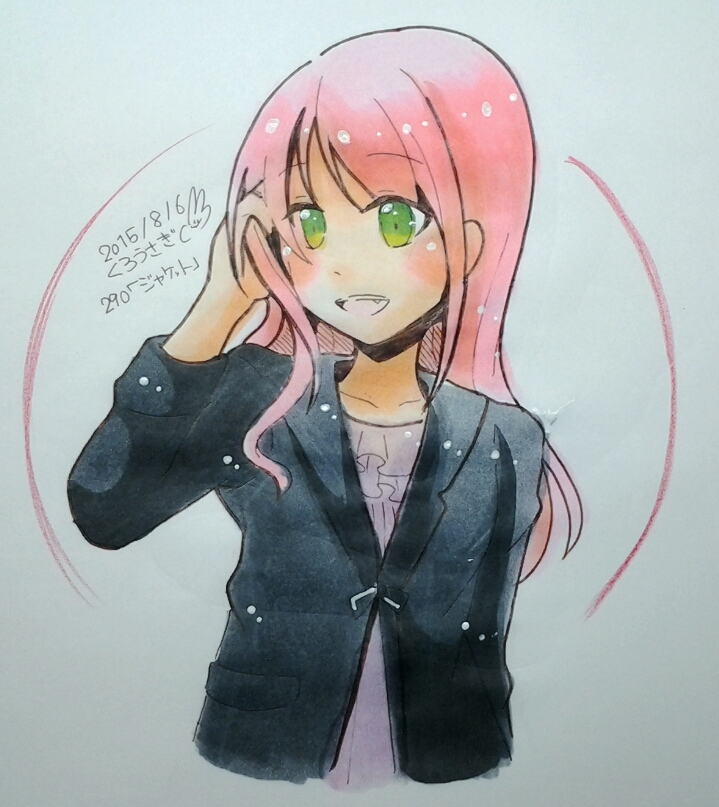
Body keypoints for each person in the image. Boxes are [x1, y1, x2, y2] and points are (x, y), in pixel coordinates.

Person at [68, 26, 581, 788]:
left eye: (396, 220)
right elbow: (105, 509)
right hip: (259, 752)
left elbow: (478, 624)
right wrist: (217, 307)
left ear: (470, 242)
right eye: (310, 223)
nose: (345, 265)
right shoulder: (260, 396)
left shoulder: (505, 436)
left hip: (447, 758)